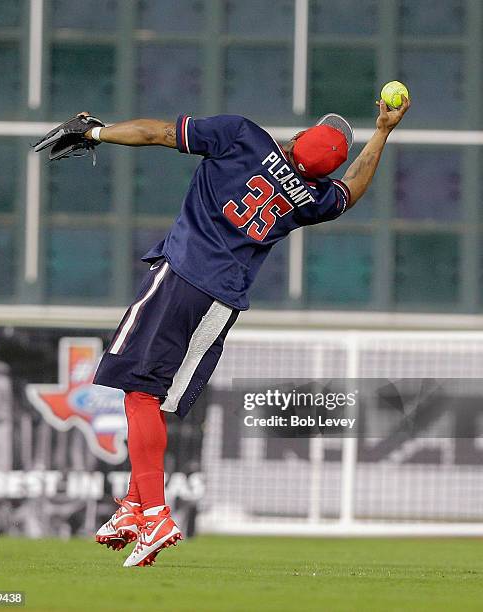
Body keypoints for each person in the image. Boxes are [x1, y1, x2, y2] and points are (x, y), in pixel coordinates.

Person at [89, 96, 410, 567]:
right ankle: (136, 507)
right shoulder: (313, 199)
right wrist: (382, 133)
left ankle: (155, 512)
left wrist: (97, 132)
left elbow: (155, 132)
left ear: (299, 138)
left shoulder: (242, 135)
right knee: (152, 398)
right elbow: (353, 189)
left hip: (179, 277)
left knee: (138, 394)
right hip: (221, 302)